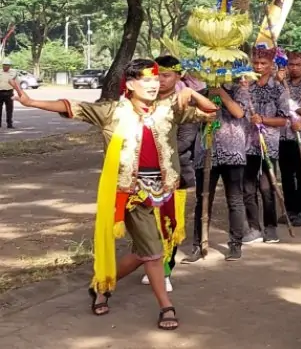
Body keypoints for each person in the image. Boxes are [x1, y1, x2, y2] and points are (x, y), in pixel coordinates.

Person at [11, 59, 217, 330]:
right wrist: (34, 102)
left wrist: (192, 93)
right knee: (154, 253)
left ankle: (100, 286)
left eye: (156, 80)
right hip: (129, 194)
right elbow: (73, 107)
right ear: (131, 84)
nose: (154, 85)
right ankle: (166, 306)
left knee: (143, 252)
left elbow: (211, 112)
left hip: (164, 191)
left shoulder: (169, 109)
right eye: (147, 80)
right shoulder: (112, 111)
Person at [139, 55, 200, 291]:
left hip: (176, 174)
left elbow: (184, 141)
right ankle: (151, 265)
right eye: (156, 76)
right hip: (143, 175)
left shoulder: (184, 103)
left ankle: (166, 270)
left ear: (178, 76)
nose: (161, 81)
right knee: (146, 224)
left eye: (166, 76)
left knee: (169, 223)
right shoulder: (142, 102)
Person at [184, 80, 249, 263]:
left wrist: (221, 93)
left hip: (232, 152)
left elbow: (238, 112)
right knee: (202, 199)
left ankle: (235, 244)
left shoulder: (239, 90)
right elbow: (191, 117)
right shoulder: (201, 93)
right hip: (205, 153)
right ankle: (198, 244)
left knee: (235, 199)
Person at [243, 45, 297, 244]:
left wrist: (263, 120)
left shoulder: (279, 89)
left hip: (269, 144)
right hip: (247, 143)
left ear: (271, 65)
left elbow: (284, 120)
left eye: (263, 63)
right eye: (256, 62)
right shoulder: (246, 86)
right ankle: (254, 227)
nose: (258, 66)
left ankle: (271, 227)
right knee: (247, 187)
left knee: (267, 187)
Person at [277, 51, 301, 227]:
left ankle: (300, 210)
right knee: (286, 175)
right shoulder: (283, 84)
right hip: (283, 135)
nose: (294, 68)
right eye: (291, 64)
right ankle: (289, 209)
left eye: (298, 65)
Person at [0, 58, 15, 128]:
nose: (6, 66)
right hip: (0, 92)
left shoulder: (13, 73)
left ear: (10, 66)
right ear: (2, 65)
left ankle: (9, 124)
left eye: (7, 65)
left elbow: (16, 83)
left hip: (9, 92)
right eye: (4, 65)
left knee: (9, 109)